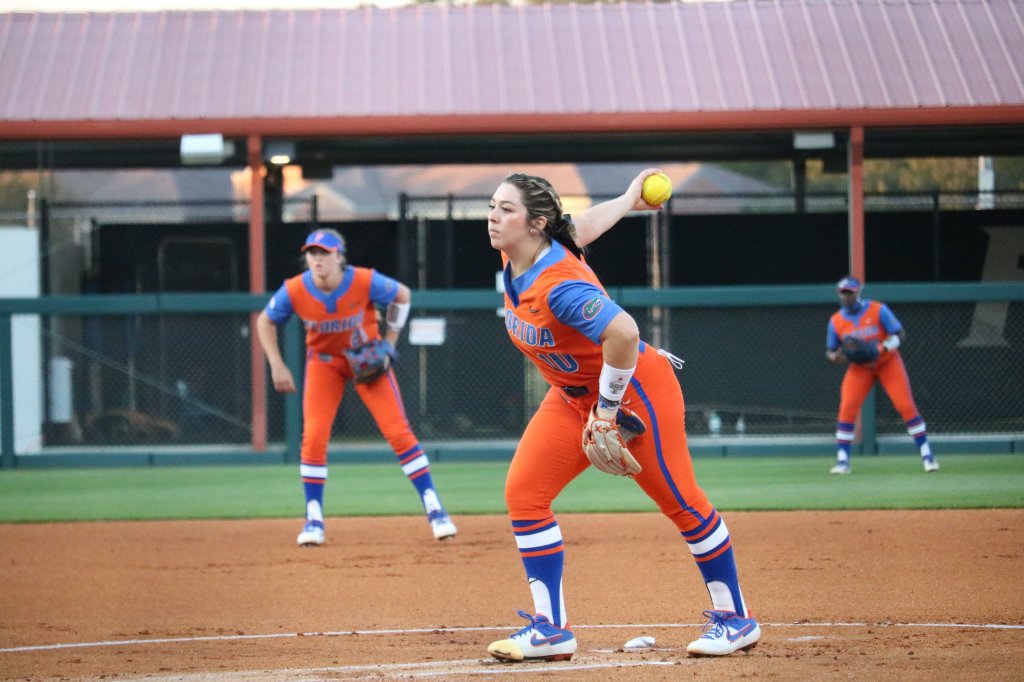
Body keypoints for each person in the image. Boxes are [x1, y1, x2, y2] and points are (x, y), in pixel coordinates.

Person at [483, 170, 760, 662]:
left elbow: (625, 333)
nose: (493, 216)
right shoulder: (520, 254)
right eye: (492, 206)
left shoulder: (558, 285)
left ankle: (736, 619)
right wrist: (631, 198)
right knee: (525, 494)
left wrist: (607, 411)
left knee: (681, 501)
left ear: (536, 223)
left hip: (634, 394)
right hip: (571, 398)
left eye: (507, 209)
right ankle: (552, 630)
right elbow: (584, 224)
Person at [256, 228, 457, 546]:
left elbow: (403, 295)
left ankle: (435, 509)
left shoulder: (363, 280)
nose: (318, 259)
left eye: (325, 252)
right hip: (324, 364)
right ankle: (313, 519)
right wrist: (276, 364)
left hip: (366, 359)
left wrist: (390, 341)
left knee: (398, 431)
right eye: (312, 253)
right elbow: (265, 321)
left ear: (339, 256)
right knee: (314, 437)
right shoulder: (295, 289)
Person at [825, 276, 939, 474]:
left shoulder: (877, 309)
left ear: (858, 292)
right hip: (860, 367)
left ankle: (927, 455)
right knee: (847, 409)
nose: (846, 296)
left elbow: (899, 334)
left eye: (849, 292)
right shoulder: (836, 320)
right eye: (843, 293)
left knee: (905, 406)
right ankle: (843, 461)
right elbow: (831, 349)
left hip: (887, 362)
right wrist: (835, 357)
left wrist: (883, 347)